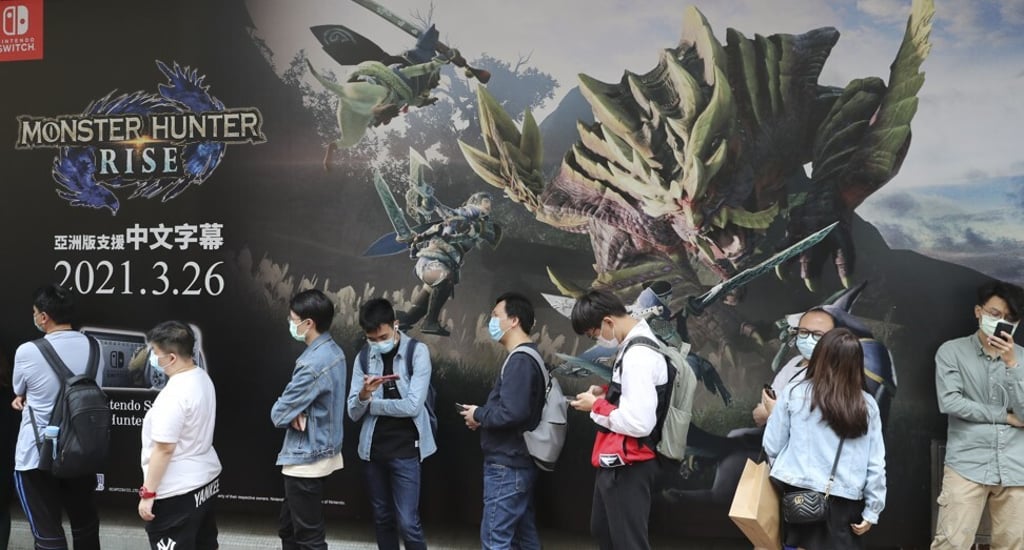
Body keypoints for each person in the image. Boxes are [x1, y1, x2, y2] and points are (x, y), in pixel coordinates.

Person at [764, 328, 886, 549]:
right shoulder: (867, 405)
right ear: (856, 363)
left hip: (798, 497)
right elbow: (875, 464)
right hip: (844, 503)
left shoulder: (795, 392)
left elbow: (772, 446)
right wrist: (872, 511)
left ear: (820, 356)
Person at [569, 289, 670, 550]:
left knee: (626, 542)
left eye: (593, 334)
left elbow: (639, 422)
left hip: (629, 464)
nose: (597, 340)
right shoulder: (633, 346)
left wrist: (596, 406)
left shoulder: (638, 356)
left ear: (608, 322)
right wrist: (604, 393)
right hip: (620, 461)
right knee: (605, 531)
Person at [932, 280, 1024, 549]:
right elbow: (950, 402)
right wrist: (1004, 416)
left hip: (1016, 469)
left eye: (1010, 318)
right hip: (967, 464)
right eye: (995, 314)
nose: (1002, 322)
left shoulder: (1021, 358)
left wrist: (1012, 365)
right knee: (951, 542)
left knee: (1014, 545)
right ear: (978, 312)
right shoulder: (952, 351)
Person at [11, 284, 100, 550]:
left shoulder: (27, 351)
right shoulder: (95, 347)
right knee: (85, 526)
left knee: (47, 534)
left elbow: (19, 390)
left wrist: (23, 398)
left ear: (44, 317)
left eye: (35, 312)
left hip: (38, 456)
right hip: (81, 451)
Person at [459, 292, 545, 550]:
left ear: (514, 320)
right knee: (523, 536)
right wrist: (482, 417)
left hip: (507, 465)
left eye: (496, 316)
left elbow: (512, 412)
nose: (491, 321)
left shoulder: (520, 360)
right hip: (519, 462)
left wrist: (479, 414)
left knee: (496, 540)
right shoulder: (531, 357)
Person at [348, 298, 435, 550]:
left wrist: (372, 405)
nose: (378, 343)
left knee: (408, 522)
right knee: (382, 518)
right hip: (373, 451)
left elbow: (412, 406)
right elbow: (352, 412)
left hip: (407, 451)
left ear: (395, 325)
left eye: (383, 337)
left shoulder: (417, 352)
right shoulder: (363, 357)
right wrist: (364, 395)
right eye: (371, 339)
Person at [270, 289, 347, 550]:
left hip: (306, 460)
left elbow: (279, 414)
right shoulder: (335, 351)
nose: (290, 323)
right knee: (289, 528)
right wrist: (298, 411)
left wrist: (293, 412)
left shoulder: (312, 364)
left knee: (309, 537)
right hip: (323, 450)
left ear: (308, 323)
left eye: (292, 319)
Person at [137, 321, 221, 550]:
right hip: (205, 481)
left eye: (155, 352)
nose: (153, 358)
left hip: (177, 492)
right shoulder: (202, 377)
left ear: (171, 358)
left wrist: (148, 493)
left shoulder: (173, 395)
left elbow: (164, 449)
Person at [755, 307, 836, 426]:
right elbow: (773, 393)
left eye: (816, 334)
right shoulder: (795, 362)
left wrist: (774, 413)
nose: (808, 339)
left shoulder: (832, 370)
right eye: (803, 332)